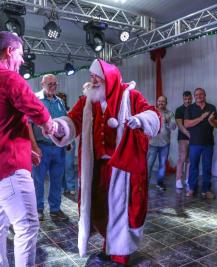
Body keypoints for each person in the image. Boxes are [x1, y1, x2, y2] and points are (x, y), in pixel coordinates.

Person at [49, 59, 161, 266]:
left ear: (109, 78)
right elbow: (72, 120)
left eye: (97, 78)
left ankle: (121, 251)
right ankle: (108, 245)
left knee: (123, 208)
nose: (93, 81)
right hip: (97, 168)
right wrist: (58, 126)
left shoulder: (130, 96)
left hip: (122, 167)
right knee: (100, 207)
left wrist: (141, 121)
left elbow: (153, 114)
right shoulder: (87, 101)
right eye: (91, 78)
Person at [0, 32, 55, 267]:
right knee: (27, 226)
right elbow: (34, 107)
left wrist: (24, 149)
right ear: (9, 51)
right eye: (20, 55)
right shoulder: (7, 76)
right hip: (7, 168)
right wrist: (49, 123)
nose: (21, 61)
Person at [30, 74, 68, 221]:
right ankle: (38, 209)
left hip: (59, 148)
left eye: (55, 84)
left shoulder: (60, 102)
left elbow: (64, 122)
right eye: (50, 84)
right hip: (41, 147)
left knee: (57, 179)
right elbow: (28, 125)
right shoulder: (35, 100)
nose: (53, 86)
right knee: (38, 180)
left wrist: (67, 141)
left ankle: (55, 209)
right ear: (42, 84)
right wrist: (34, 146)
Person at [184, 88, 217, 199]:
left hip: (208, 143)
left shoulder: (211, 107)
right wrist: (202, 117)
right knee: (193, 166)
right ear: (194, 97)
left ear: (205, 95)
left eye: (201, 94)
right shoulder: (190, 108)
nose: (199, 96)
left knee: (207, 167)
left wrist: (211, 121)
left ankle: (206, 190)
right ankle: (192, 188)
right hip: (195, 143)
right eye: (197, 94)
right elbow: (187, 124)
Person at [147, 95, 176, 191]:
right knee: (149, 164)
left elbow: (173, 127)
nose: (161, 103)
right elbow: (146, 125)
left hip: (164, 144)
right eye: (159, 101)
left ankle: (159, 183)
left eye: (163, 101)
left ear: (166, 103)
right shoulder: (151, 112)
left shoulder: (170, 113)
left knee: (162, 164)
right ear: (157, 102)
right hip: (152, 143)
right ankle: (145, 184)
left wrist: (168, 122)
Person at [57, 92, 77, 196]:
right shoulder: (54, 112)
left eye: (64, 98)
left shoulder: (69, 111)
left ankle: (71, 186)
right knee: (60, 165)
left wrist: (70, 141)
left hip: (69, 140)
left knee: (69, 164)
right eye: (60, 98)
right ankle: (63, 187)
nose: (62, 100)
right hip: (58, 140)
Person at [174, 91, 192, 189]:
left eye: (189, 99)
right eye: (185, 99)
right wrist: (187, 134)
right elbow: (179, 125)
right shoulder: (179, 109)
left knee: (190, 159)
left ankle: (188, 179)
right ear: (183, 99)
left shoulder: (194, 108)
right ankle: (178, 179)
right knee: (182, 157)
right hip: (183, 137)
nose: (187, 101)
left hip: (194, 137)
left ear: (191, 98)